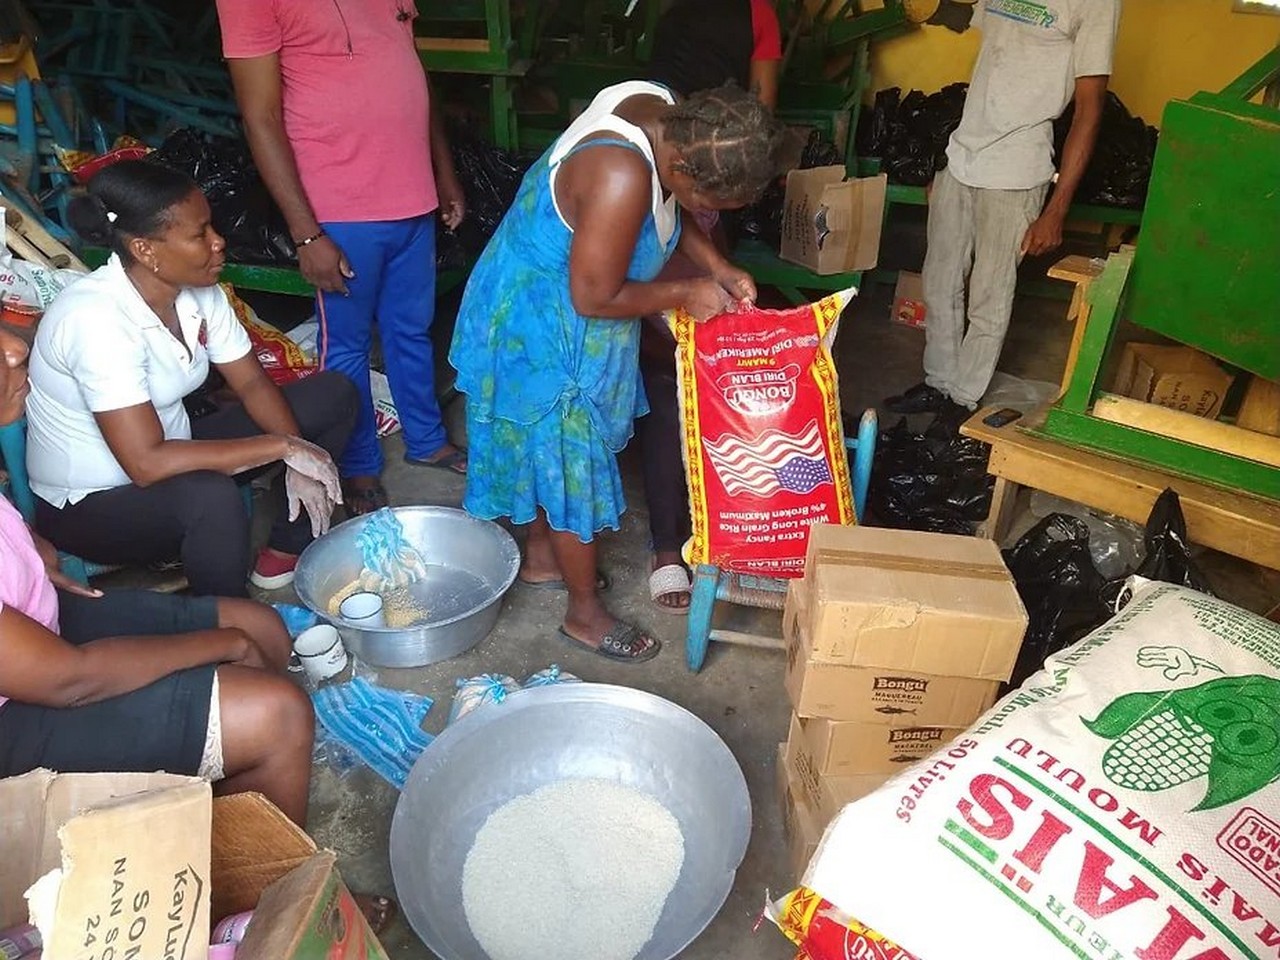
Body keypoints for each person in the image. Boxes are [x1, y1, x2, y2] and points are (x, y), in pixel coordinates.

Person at [450, 81, 785, 662]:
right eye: (710, 203)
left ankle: (543, 557)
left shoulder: (667, 115)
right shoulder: (620, 174)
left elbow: (669, 209)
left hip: (556, 302)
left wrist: (719, 266)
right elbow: (593, 296)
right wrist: (685, 291)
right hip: (545, 325)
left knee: (550, 455)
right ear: (683, 169)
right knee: (570, 465)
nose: (706, 214)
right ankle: (584, 614)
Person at [0, 326, 314, 824]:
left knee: (264, 628)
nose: (17, 347)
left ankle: (218, 790)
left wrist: (29, 556)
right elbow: (69, 680)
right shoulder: (93, 322)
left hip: (39, 626)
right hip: (17, 717)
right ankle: (244, 871)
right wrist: (223, 645)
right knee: (277, 713)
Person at [27, 160, 355, 596]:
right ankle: (229, 622)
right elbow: (146, 464)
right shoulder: (95, 320)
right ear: (145, 250)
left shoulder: (199, 292)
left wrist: (298, 456)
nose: (219, 242)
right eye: (200, 234)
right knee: (211, 497)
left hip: (175, 453)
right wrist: (286, 447)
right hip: (91, 504)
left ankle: (286, 548)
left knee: (334, 394)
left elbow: (252, 383)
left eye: (212, 227)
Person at [215, 0, 469, 515]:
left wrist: (443, 174)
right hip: (340, 206)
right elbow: (260, 117)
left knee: (411, 330)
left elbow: (413, 76)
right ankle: (357, 464)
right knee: (347, 344)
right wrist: (307, 234)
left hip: (413, 198)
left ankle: (426, 439)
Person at [885, 0, 1119, 420]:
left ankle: (962, 399)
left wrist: (1057, 208)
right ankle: (939, 382)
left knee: (989, 295)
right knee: (939, 281)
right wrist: (926, 7)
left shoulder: (1096, 4)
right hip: (962, 158)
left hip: (1017, 168)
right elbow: (969, 17)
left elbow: (1089, 109)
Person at [640, 0, 784, 612]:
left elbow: (682, 224)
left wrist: (716, 270)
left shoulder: (679, 9)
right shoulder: (639, 167)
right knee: (668, 379)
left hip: (694, 189)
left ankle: (719, 524)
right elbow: (765, 98)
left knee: (700, 367)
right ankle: (667, 544)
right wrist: (683, 291)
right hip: (680, 194)